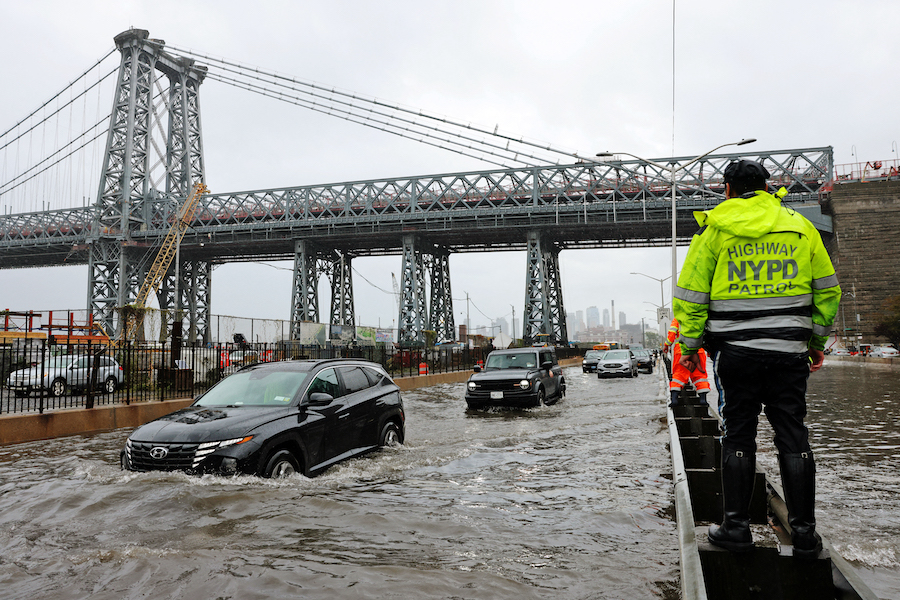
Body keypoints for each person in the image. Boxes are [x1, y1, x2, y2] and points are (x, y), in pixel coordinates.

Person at [673, 159, 841, 558]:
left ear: (727, 189)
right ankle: (804, 535)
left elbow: (691, 298)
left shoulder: (714, 230)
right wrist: (816, 343)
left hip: (736, 356)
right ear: (769, 188)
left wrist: (691, 349)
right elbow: (828, 291)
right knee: (793, 435)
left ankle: (735, 529)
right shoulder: (800, 227)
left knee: (738, 434)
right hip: (788, 355)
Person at [663, 317, 710, 407]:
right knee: (700, 375)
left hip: (681, 351)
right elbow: (708, 334)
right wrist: (709, 350)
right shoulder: (700, 317)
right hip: (698, 350)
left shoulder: (678, 319)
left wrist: (667, 345)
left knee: (678, 375)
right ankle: (703, 400)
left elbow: (672, 334)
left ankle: (675, 400)